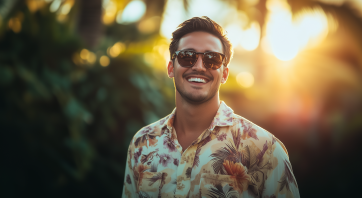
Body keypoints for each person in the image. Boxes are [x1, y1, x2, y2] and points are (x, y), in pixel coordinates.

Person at [122, 16, 300, 198]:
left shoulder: (265, 149)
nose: (199, 67)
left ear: (224, 74)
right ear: (170, 68)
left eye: (212, 59)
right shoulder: (142, 143)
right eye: (186, 56)